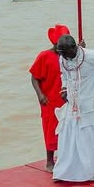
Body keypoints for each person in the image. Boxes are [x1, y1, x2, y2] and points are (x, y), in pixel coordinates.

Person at [52, 35, 94, 182]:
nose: (62, 56)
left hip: (91, 103)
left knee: (89, 137)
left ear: (73, 48)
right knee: (68, 134)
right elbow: (64, 74)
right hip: (73, 102)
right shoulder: (63, 58)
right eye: (60, 53)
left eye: (64, 52)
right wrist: (63, 89)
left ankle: (90, 172)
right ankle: (65, 171)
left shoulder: (91, 56)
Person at [29, 23, 69, 171]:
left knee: (69, 129)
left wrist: (81, 48)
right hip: (49, 100)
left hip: (67, 98)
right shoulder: (44, 56)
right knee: (50, 130)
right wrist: (40, 94)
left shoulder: (69, 55)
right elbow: (34, 78)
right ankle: (49, 161)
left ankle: (67, 157)